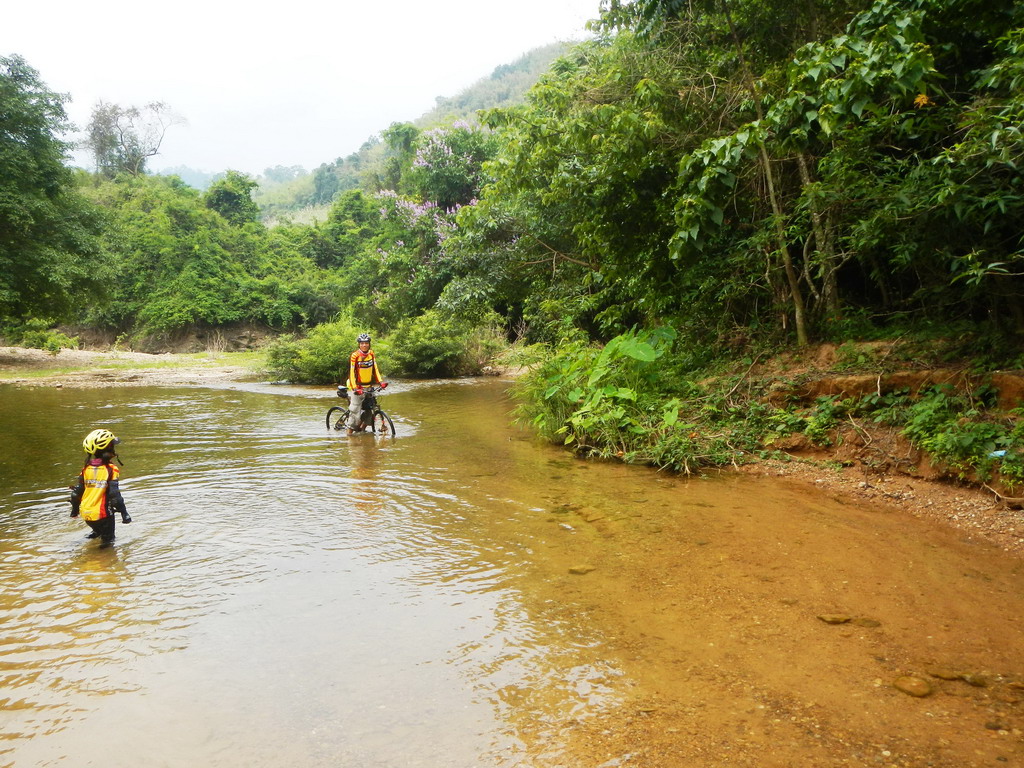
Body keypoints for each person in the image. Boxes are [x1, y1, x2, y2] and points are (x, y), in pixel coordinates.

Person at [69, 428, 132, 547]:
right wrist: (124, 513)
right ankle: (101, 557)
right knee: (108, 541)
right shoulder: (111, 469)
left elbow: (77, 493)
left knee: (97, 531)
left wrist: (74, 511)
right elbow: (114, 495)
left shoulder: (86, 468)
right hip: (103, 514)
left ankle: (74, 546)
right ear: (109, 448)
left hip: (86, 514)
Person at [345, 332, 387, 435]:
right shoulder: (355, 356)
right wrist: (355, 388)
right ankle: (349, 435)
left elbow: (375, 369)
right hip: (358, 387)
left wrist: (381, 382)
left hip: (369, 387)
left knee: (370, 409)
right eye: (362, 343)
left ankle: (362, 430)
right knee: (355, 412)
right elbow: (351, 373)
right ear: (359, 344)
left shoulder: (371, 354)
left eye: (366, 343)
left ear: (369, 344)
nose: (364, 345)